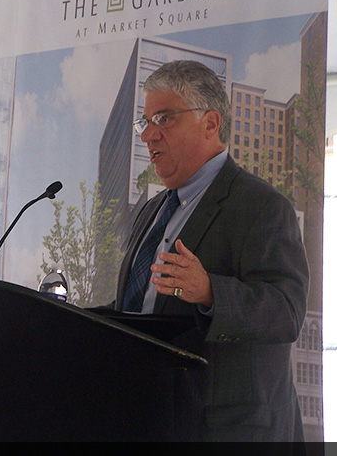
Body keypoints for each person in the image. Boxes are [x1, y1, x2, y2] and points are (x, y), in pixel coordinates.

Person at [114, 60, 309, 442]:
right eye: (145, 123)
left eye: (163, 119)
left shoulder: (262, 206)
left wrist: (209, 292)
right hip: (149, 421)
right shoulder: (152, 210)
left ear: (210, 123)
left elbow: (287, 312)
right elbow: (141, 309)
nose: (148, 136)